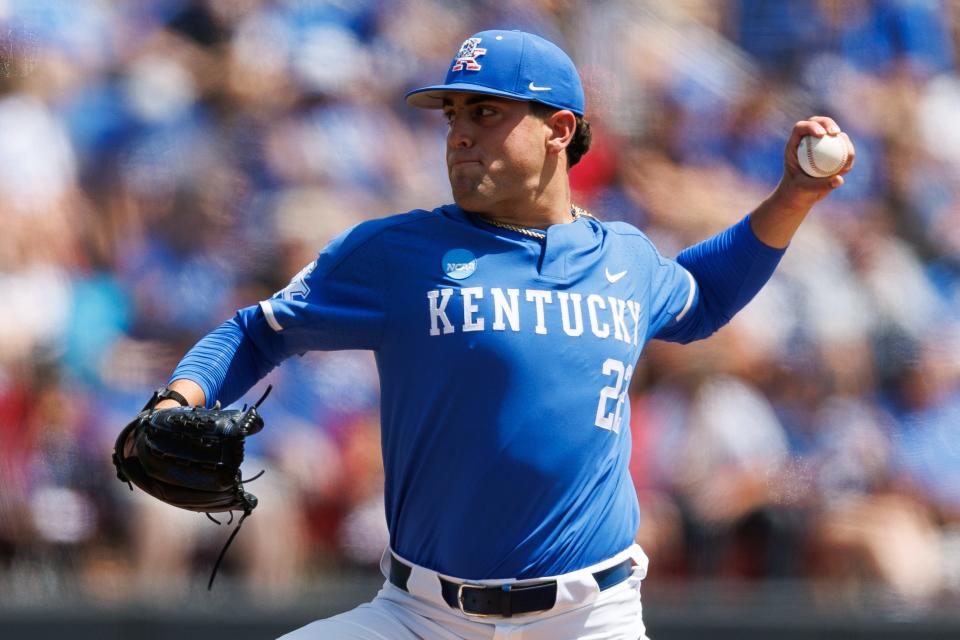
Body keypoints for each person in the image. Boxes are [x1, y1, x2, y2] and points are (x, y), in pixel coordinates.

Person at [151, 29, 854, 639]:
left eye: (485, 111)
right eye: (453, 112)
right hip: (420, 617)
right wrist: (178, 398)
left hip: (589, 619)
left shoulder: (624, 258)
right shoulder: (398, 253)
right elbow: (258, 330)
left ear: (558, 129)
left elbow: (703, 297)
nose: (459, 131)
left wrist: (793, 196)